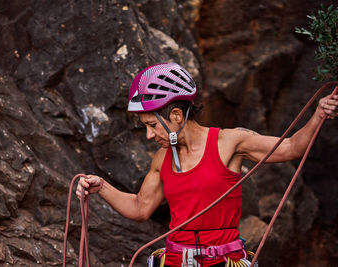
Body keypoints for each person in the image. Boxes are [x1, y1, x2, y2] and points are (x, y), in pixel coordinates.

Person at [76, 62, 338, 267]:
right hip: (176, 261)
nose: (149, 135)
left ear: (176, 115)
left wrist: (318, 114)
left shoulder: (230, 142)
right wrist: (101, 188)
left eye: (152, 125)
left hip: (224, 262)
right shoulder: (162, 158)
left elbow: (292, 147)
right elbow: (140, 207)